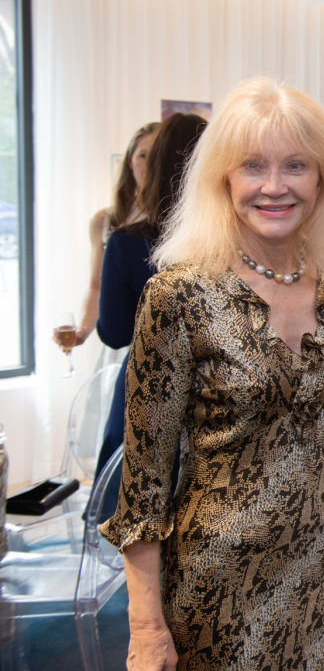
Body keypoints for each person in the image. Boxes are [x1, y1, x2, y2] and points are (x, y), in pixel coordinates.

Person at [99, 77, 324, 669]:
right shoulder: (179, 294)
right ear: (223, 179)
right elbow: (143, 484)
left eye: (295, 165)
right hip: (213, 589)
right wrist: (146, 627)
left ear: (321, 180)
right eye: (252, 167)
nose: (274, 186)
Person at [93, 113, 207, 489]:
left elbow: (113, 332)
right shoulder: (229, 248)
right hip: (216, 388)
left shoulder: (126, 243)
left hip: (146, 386)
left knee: (138, 507)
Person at [69, 122, 159, 349]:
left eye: (156, 154)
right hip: (121, 338)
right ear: (130, 161)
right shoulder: (106, 220)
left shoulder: (176, 220)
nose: (149, 164)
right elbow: (96, 285)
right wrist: (83, 328)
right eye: (142, 155)